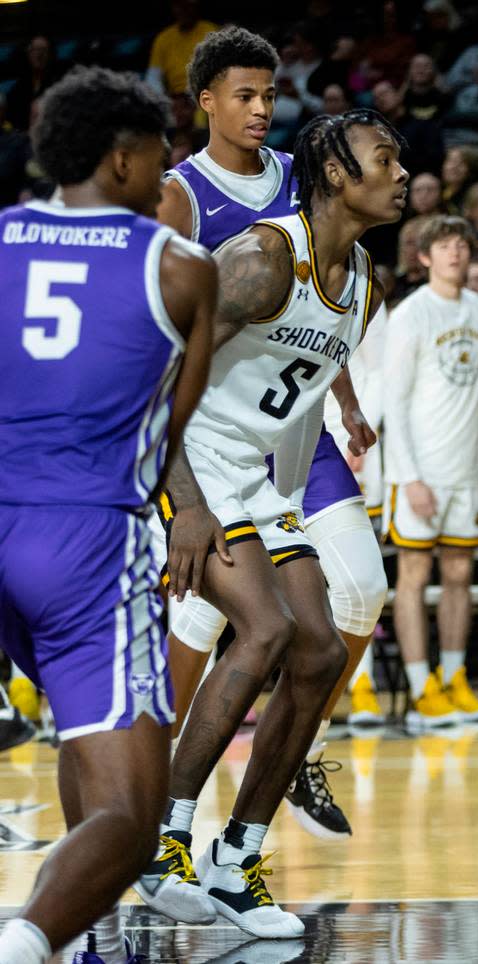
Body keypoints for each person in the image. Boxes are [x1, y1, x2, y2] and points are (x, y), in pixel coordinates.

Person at [139, 109, 405, 938]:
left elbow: (301, 380)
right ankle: (162, 839)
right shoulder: (261, 256)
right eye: (384, 159)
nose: (402, 173)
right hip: (186, 460)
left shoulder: (366, 283)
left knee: (321, 651)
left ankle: (235, 859)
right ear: (333, 173)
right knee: (262, 630)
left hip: (252, 474)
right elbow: (160, 369)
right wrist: (185, 502)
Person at [0, 65, 216, 964]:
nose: (168, 180)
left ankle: (71, 940)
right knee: (132, 816)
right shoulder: (180, 270)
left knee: (82, 738)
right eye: (162, 161)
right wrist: (194, 509)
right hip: (89, 538)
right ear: (122, 159)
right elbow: (168, 429)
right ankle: (25, 945)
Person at [382, 216, 478, 729]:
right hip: (420, 470)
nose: (455, 253)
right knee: (413, 576)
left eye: (461, 245)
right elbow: (394, 400)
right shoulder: (410, 314)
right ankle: (418, 683)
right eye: (444, 246)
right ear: (425, 256)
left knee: (459, 575)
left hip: (465, 470)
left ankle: (455, 678)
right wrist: (409, 477)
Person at [147, 0, 218, 96]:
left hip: (204, 96)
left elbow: (219, 74)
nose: (183, 10)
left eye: (188, 5)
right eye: (179, 6)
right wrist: (165, 101)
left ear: (196, 7)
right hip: (174, 99)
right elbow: (153, 78)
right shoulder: (163, 38)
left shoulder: (211, 32)